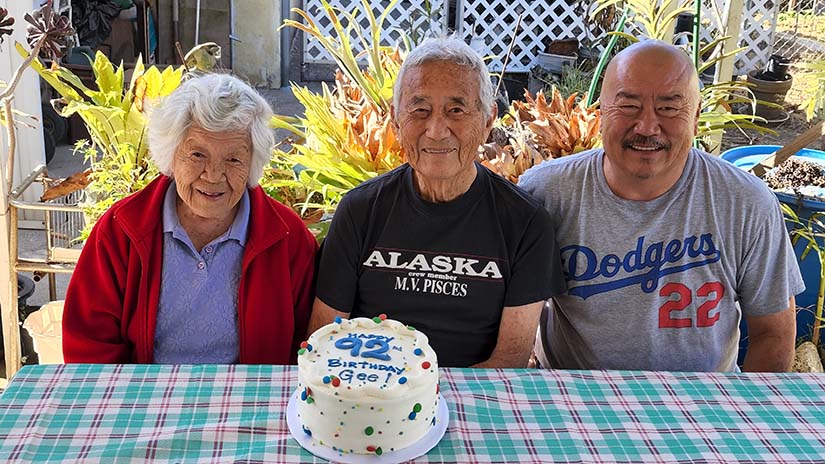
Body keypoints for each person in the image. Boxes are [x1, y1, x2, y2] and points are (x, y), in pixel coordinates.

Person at [519, 40, 804, 372]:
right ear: (600, 113)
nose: (647, 127)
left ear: (696, 118)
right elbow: (511, 319)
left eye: (669, 108)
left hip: (703, 403)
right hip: (576, 399)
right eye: (628, 106)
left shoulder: (746, 203)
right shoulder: (545, 192)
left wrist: (741, 417)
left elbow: (773, 334)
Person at [307, 37, 566, 368]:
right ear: (396, 119)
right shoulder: (360, 211)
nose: (436, 130)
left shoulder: (525, 223)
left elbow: (509, 358)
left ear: (488, 120)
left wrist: (421, 400)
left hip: (476, 397)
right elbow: (325, 337)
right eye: (419, 109)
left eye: (456, 110)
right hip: (370, 397)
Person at [62, 73, 318, 364]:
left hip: (248, 398)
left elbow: (308, 347)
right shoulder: (122, 230)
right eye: (197, 154)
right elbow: (89, 346)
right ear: (171, 155)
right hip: (146, 399)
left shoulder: (287, 237)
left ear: (252, 163)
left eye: (233, 159)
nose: (213, 176)